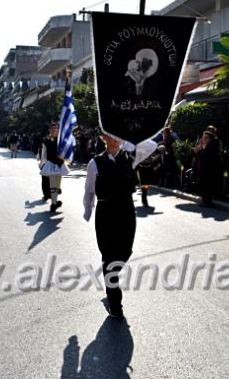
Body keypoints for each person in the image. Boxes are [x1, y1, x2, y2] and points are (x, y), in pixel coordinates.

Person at [83, 133, 138, 319]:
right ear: (102, 137)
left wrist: (130, 141)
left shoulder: (131, 157)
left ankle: (111, 278)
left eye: (118, 135)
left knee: (125, 252)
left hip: (127, 211)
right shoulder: (95, 163)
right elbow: (89, 189)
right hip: (106, 212)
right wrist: (87, 210)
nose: (115, 138)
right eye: (110, 134)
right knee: (109, 257)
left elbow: (150, 147)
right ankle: (115, 303)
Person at [40, 123, 66, 212]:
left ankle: (55, 202)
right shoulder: (46, 141)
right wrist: (42, 164)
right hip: (51, 163)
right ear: (49, 130)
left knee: (57, 185)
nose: (54, 130)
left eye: (56, 128)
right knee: (53, 184)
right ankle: (54, 203)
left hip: (60, 163)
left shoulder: (61, 140)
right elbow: (44, 153)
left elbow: (65, 151)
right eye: (52, 128)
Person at [193, 129, 221, 207]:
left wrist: (198, 152)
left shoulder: (212, 147)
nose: (204, 139)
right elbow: (199, 157)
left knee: (207, 187)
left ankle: (207, 202)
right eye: (203, 137)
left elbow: (206, 157)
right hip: (202, 169)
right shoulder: (204, 146)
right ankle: (204, 201)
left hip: (209, 170)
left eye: (206, 137)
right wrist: (197, 152)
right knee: (202, 186)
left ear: (210, 139)